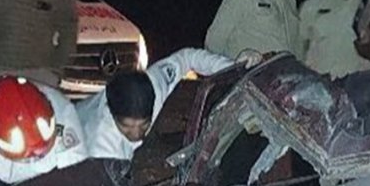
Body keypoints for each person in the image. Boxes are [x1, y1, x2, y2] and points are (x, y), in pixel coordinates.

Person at [78, 48, 260, 161]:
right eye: (127, 127)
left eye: (143, 125)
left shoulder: (155, 83)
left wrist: (234, 68)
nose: (136, 134)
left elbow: (187, 57)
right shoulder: (101, 143)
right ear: (112, 114)